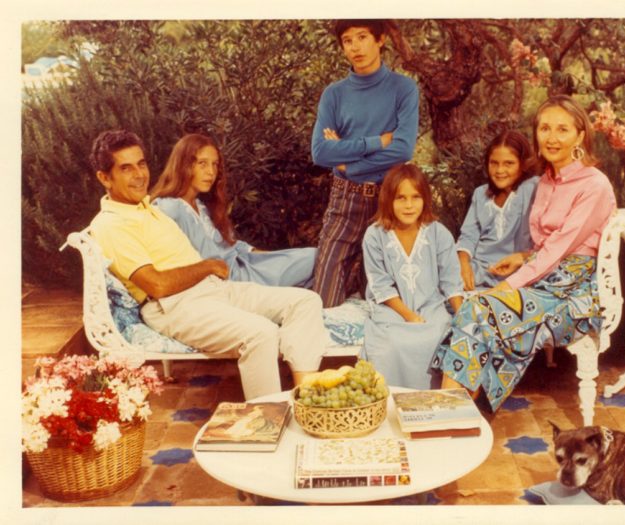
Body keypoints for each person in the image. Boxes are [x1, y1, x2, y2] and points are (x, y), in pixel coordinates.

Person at [88, 130, 328, 399]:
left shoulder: (147, 207)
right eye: (126, 168)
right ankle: (266, 418)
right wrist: (208, 267)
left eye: (141, 164)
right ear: (104, 177)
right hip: (174, 305)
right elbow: (156, 285)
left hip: (211, 290)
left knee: (305, 302)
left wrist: (213, 271)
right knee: (261, 333)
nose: (139, 174)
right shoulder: (112, 224)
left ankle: (306, 396)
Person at [431, 95, 617, 412]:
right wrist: (524, 257)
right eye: (544, 128)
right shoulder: (547, 180)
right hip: (544, 281)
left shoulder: (594, 185)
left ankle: (450, 411)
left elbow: (561, 249)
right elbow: (548, 246)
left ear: (580, 135)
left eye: (561, 129)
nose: (551, 137)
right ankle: (453, 409)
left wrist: (508, 286)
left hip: (573, 297)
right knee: (476, 309)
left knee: (479, 309)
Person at [311, 19, 419, 307]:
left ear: (380, 39)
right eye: (348, 40)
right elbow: (321, 153)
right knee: (324, 299)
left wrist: (348, 163)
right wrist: (377, 142)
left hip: (390, 199)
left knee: (391, 298)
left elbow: (402, 149)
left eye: (362, 37)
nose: (355, 46)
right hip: (345, 199)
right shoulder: (334, 94)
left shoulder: (403, 89)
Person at [150, 133, 316, 288]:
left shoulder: (201, 207)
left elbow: (232, 245)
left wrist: (269, 258)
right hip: (234, 281)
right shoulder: (169, 207)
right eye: (202, 164)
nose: (211, 172)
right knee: (316, 260)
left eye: (215, 165)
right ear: (183, 165)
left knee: (315, 256)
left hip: (246, 264)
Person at [362, 164, 464, 390]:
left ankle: (432, 403)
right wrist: (408, 315)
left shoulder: (438, 232)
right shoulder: (374, 235)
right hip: (392, 309)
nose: (409, 205)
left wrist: (463, 316)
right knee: (390, 344)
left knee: (440, 335)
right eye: (401, 198)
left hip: (431, 306)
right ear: (388, 200)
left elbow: (451, 280)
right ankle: (392, 402)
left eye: (415, 197)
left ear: (425, 199)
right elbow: (380, 285)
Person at [456, 130, 539, 291]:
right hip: (478, 273)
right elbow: (468, 236)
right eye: (494, 163)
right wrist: (463, 263)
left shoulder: (533, 188)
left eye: (509, 163)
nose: (500, 170)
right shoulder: (481, 194)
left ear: (523, 164)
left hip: (516, 275)